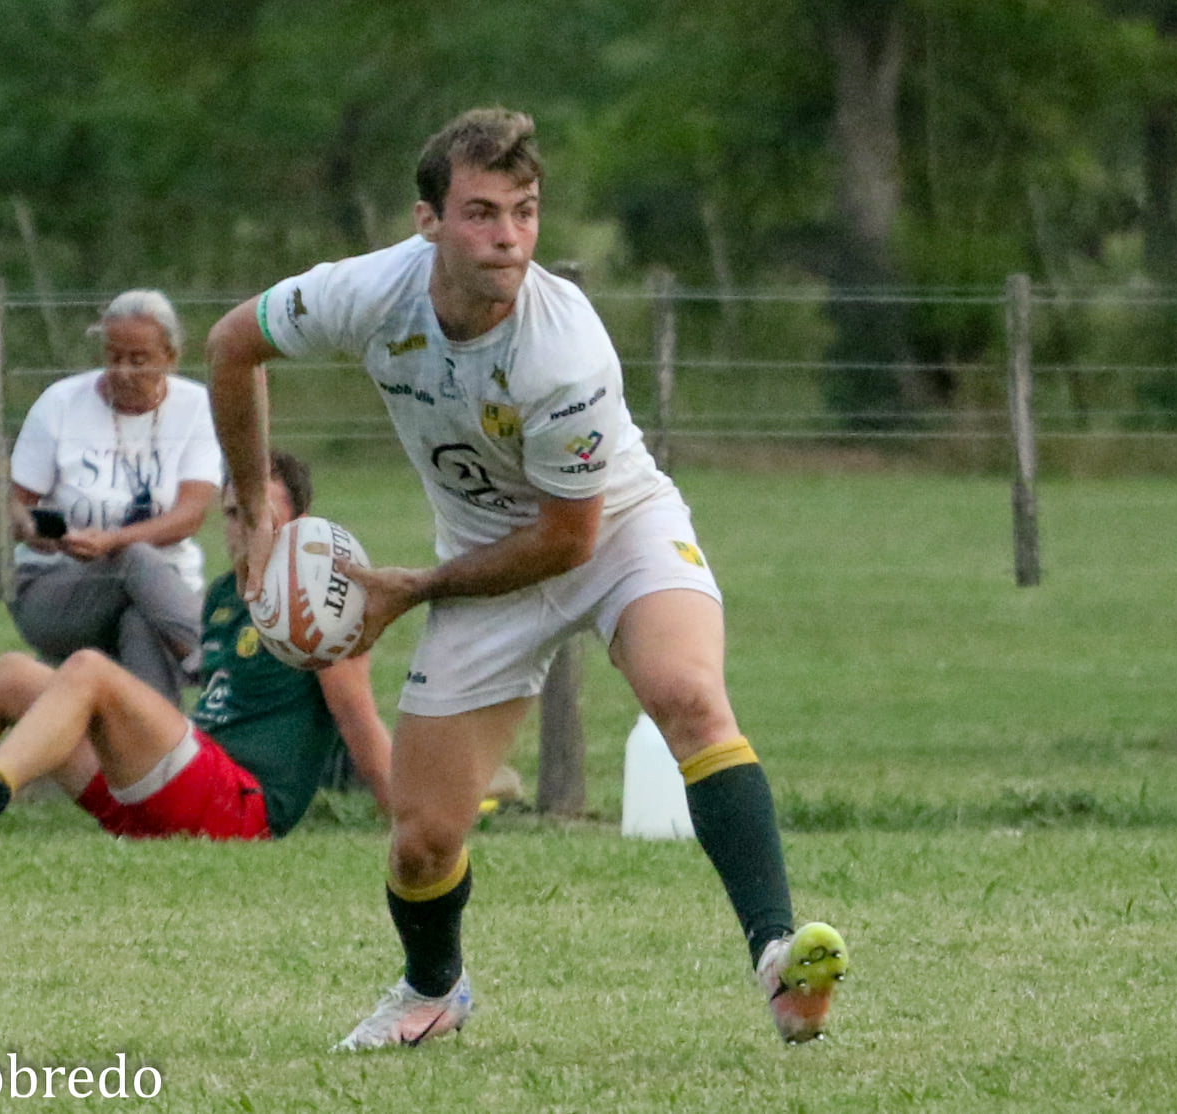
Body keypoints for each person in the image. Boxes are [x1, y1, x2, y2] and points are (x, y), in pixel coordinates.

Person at [205, 107, 848, 1049]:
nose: (508, 238)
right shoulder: (369, 293)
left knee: (688, 696)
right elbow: (231, 346)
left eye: (524, 211)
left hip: (613, 528)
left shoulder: (564, 350)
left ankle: (779, 957)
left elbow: (566, 542)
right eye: (481, 213)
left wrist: (408, 589)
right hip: (483, 554)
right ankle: (434, 988)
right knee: (423, 837)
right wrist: (257, 510)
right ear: (427, 221)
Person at [0, 452, 391, 844]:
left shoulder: (320, 607)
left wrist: (412, 831)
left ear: (299, 522)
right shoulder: (223, 594)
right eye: (233, 514)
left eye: (259, 516)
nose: (241, 529)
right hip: (180, 796)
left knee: (88, 669)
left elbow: (359, 722)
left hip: (243, 809)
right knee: (13, 674)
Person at [6, 289, 224, 707]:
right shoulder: (60, 403)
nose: (122, 371)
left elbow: (190, 516)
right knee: (132, 556)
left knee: (142, 619)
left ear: (169, 358)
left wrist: (110, 541)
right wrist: (40, 533)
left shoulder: (196, 406)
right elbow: (14, 508)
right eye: (113, 356)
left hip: (165, 590)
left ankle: (155, 754)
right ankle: (212, 660)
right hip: (54, 587)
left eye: (138, 360)